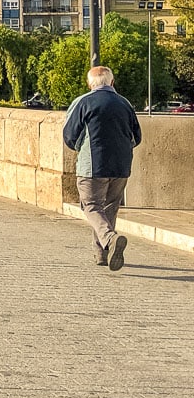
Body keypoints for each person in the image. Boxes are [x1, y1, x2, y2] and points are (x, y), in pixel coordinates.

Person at [63, 65, 142, 270]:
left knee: (90, 206)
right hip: (121, 166)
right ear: (112, 82)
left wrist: (82, 149)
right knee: (108, 209)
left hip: (93, 165)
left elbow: (70, 135)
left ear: (90, 84)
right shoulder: (125, 104)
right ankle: (102, 254)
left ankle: (109, 238)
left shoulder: (83, 102)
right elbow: (137, 136)